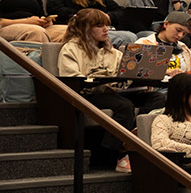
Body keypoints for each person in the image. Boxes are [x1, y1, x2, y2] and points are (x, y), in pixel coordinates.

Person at [57, 9, 164, 170]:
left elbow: (123, 75)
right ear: (84, 28)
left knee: (157, 97)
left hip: (115, 91)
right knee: (124, 106)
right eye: (99, 25)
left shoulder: (112, 52)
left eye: (107, 25)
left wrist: (139, 79)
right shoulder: (71, 49)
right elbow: (72, 78)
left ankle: (134, 135)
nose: (106, 29)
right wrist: (103, 82)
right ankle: (113, 153)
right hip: (88, 94)